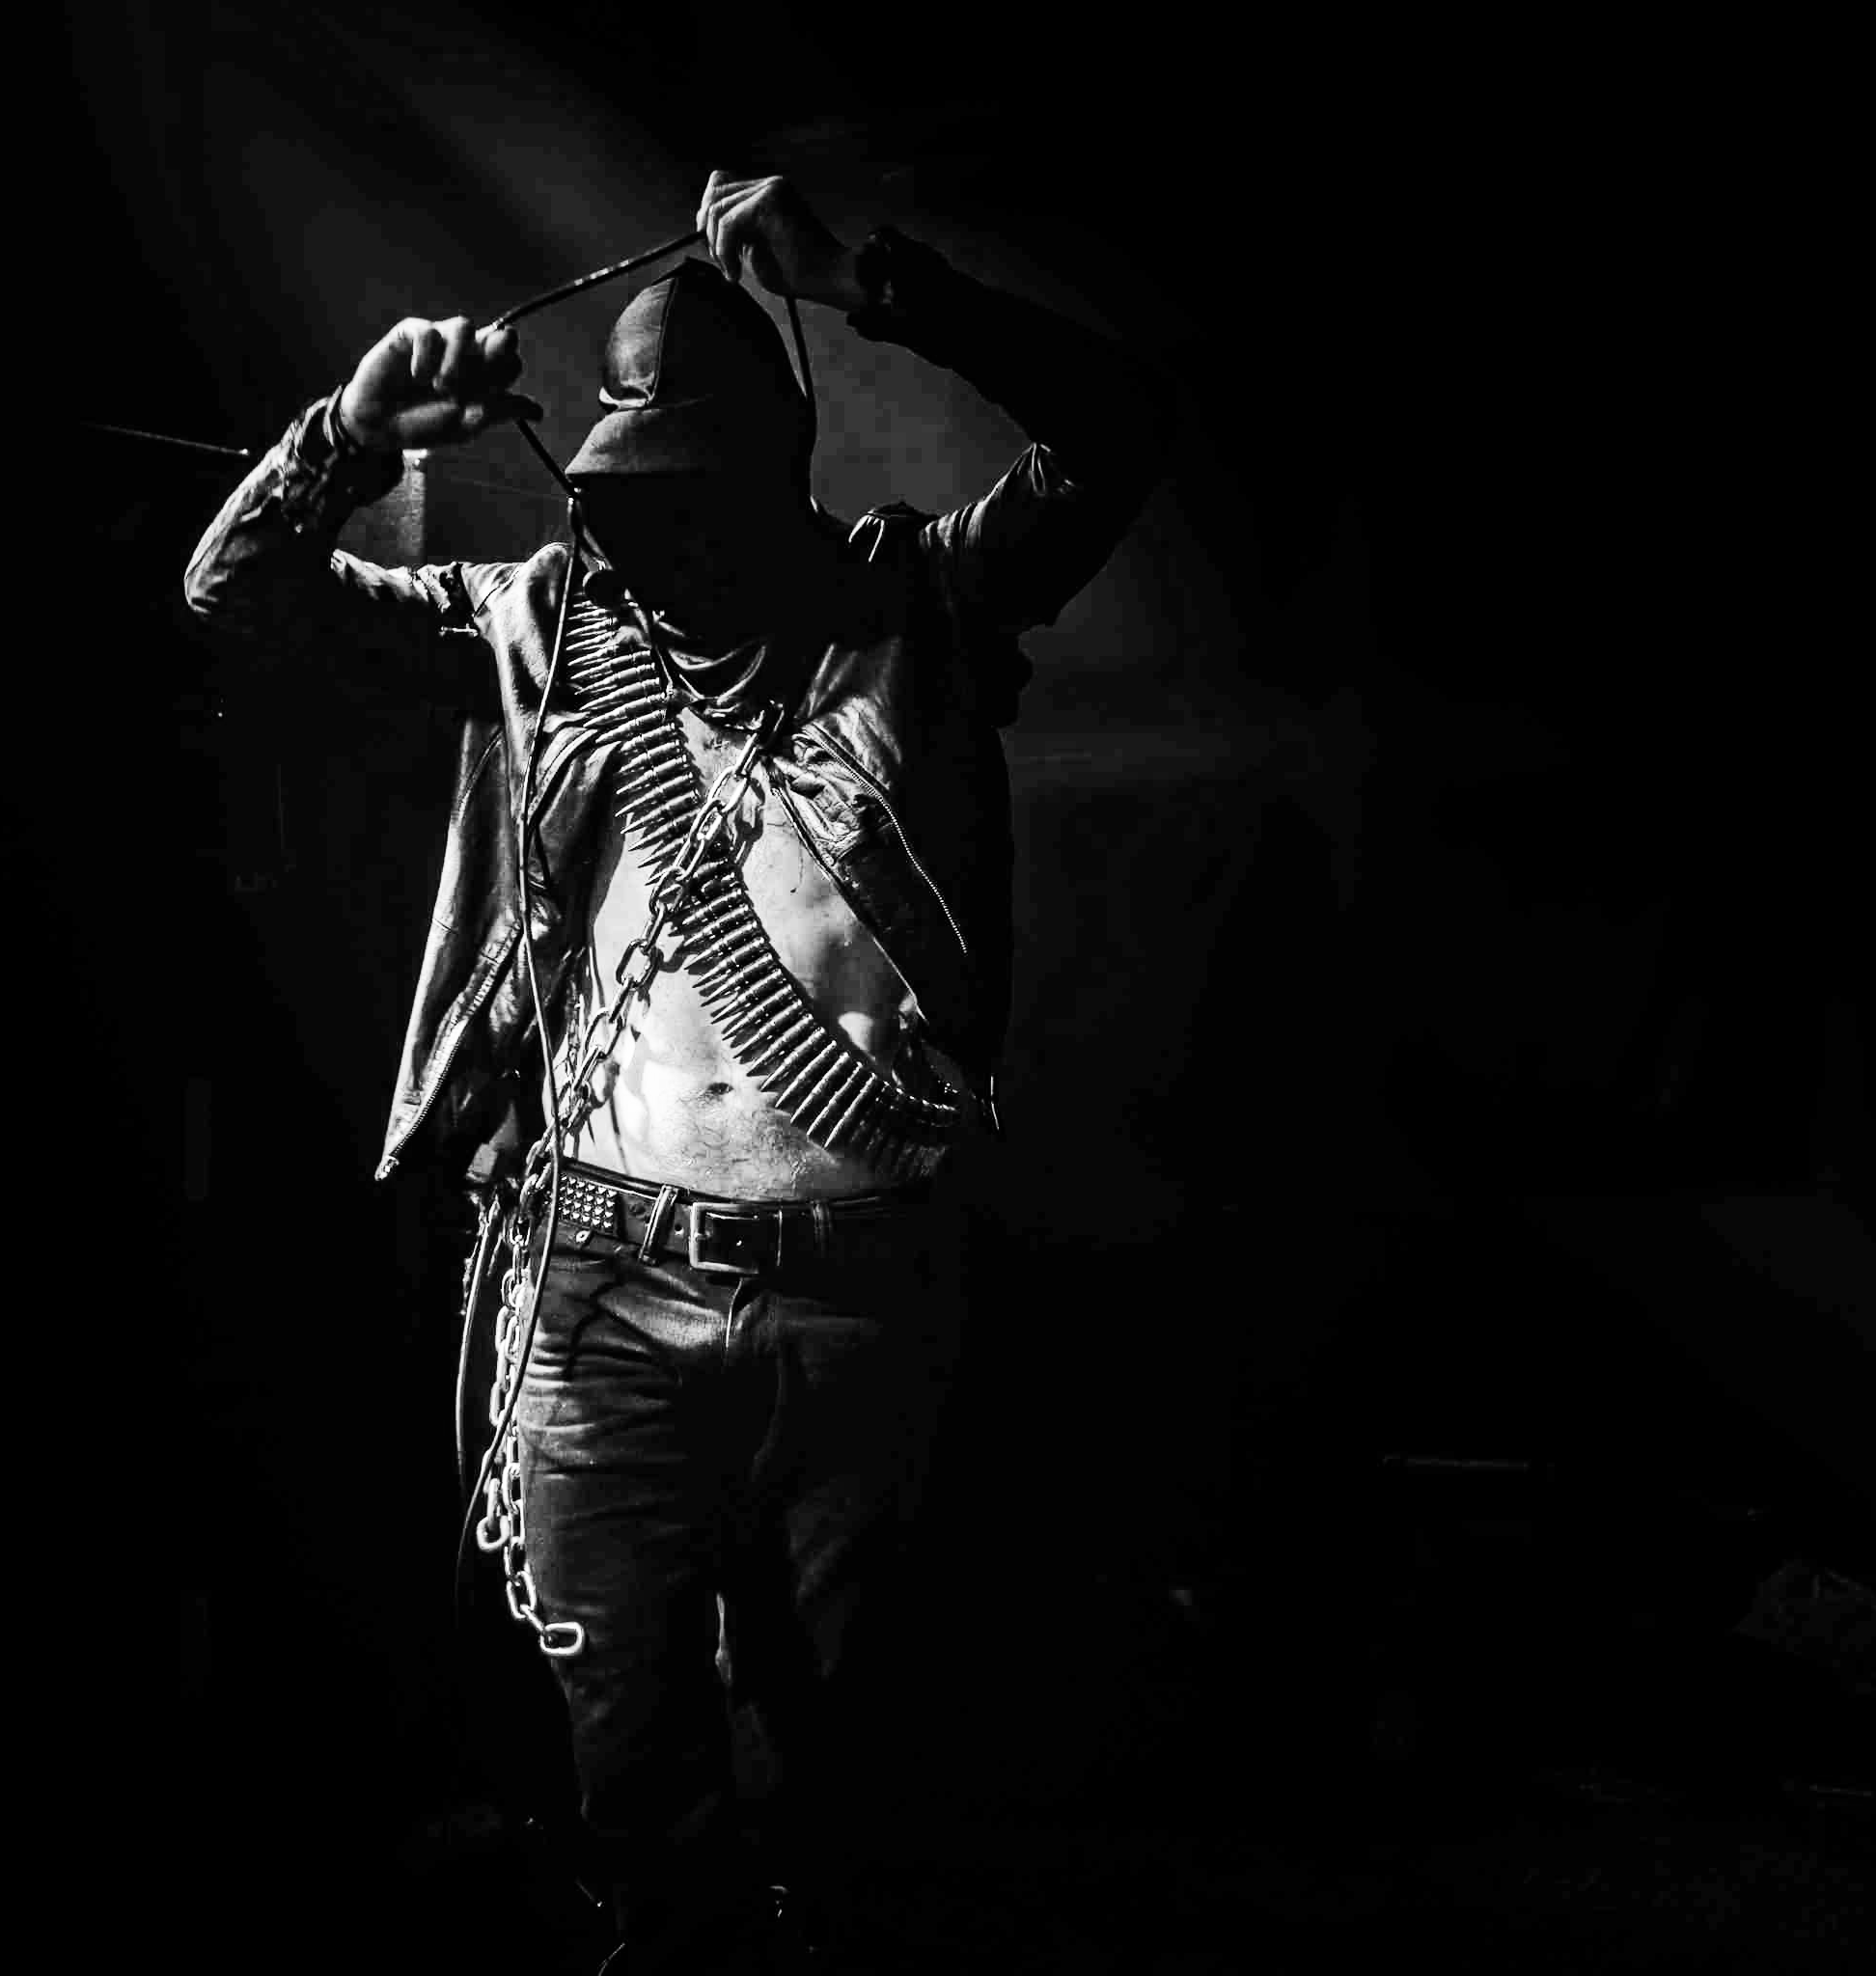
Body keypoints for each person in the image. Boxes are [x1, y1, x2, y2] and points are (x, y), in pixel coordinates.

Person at [185, 170, 1172, 1973]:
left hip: (859, 1293)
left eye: (701, 493)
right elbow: (232, 590)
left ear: (778, 475)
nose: (666, 543)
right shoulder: (553, 630)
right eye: (635, 501)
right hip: (605, 1283)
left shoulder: (921, 608)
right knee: (622, 1758)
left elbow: (1124, 426)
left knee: (830, 1768)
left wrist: (874, 279)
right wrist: (351, 429)